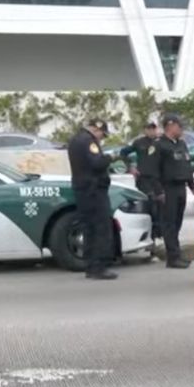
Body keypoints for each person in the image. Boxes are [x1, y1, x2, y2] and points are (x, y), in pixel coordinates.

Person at [67, 119, 121, 280]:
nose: (101, 138)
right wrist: (111, 157)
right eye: (102, 134)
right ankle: (99, 267)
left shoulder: (75, 140)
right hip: (94, 190)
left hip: (82, 189)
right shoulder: (89, 142)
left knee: (88, 228)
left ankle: (90, 265)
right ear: (96, 130)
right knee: (101, 228)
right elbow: (97, 163)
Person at [150, 114, 194, 269]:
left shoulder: (181, 144)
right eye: (179, 126)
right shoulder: (158, 146)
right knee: (169, 224)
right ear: (170, 126)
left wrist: (192, 185)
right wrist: (159, 191)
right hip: (167, 189)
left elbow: (187, 166)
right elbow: (152, 171)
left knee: (177, 222)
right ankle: (172, 257)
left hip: (180, 187)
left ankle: (176, 253)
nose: (182, 129)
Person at [120, 122, 161, 241]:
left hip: (157, 179)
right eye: (148, 129)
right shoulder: (139, 143)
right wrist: (130, 167)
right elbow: (123, 152)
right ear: (145, 130)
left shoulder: (160, 142)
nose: (151, 131)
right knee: (147, 207)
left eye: (153, 129)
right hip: (143, 179)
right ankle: (147, 238)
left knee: (158, 209)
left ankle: (157, 237)